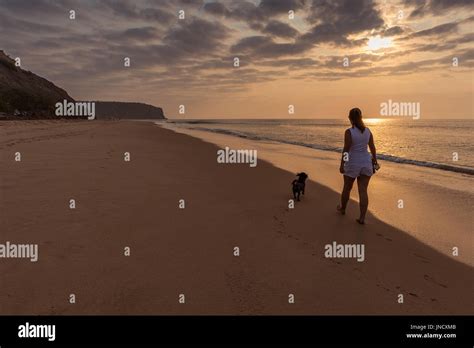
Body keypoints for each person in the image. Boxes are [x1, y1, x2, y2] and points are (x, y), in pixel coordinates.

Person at [337, 108, 378, 224]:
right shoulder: (368, 131)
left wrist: (342, 164)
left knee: (347, 187)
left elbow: (346, 149)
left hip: (353, 163)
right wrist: (375, 160)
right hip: (366, 162)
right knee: (363, 191)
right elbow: (372, 147)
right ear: (361, 117)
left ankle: (343, 209)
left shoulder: (349, 132)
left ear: (350, 118)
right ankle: (362, 218)